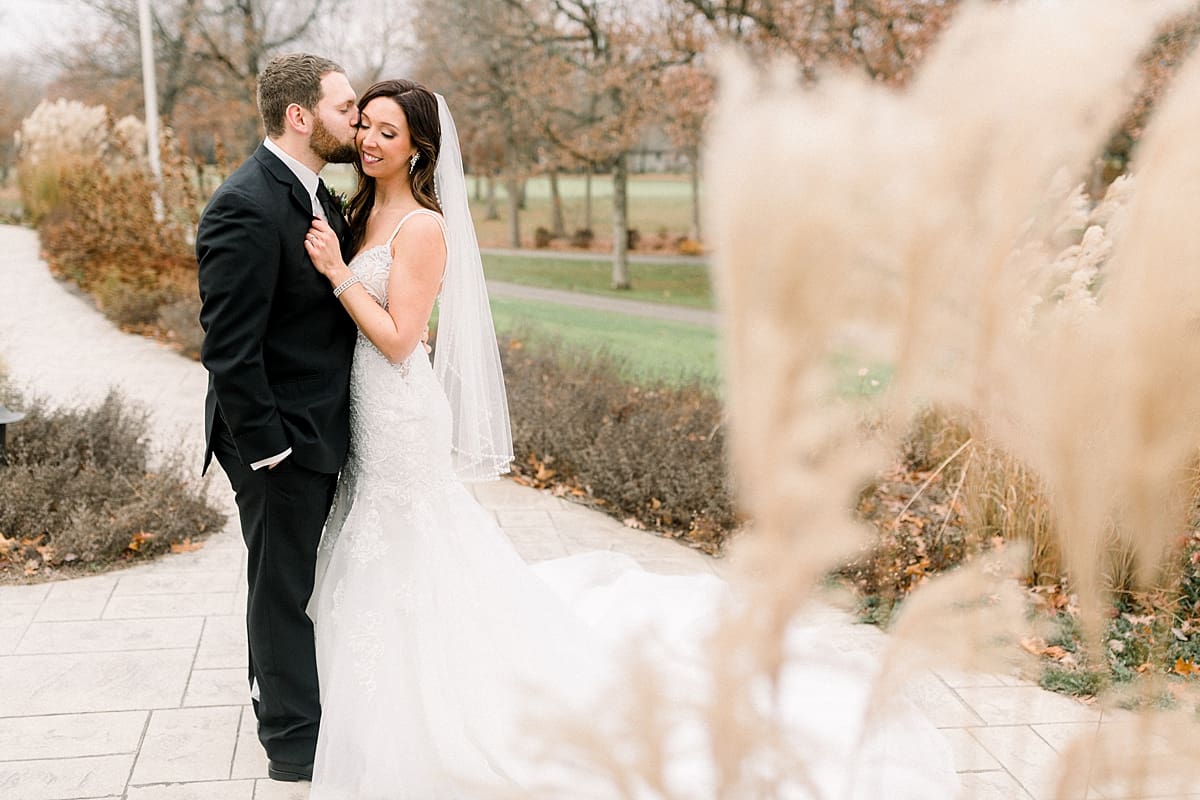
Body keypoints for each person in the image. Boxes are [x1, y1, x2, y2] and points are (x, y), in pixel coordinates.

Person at [302, 80, 961, 798]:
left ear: (419, 147)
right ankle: (395, 682)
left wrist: (338, 275)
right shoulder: (361, 208)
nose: (367, 140)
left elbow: (401, 340)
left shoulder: (422, 228)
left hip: (401, 412)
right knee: (387, 545)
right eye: (364, 125)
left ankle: (443, 702)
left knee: (415, 541)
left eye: (386, 132)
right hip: (366, 413)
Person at [196, 53, 360, 783]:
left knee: (302, 583)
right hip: (279, 444)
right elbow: (229, 351)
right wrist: (270, 454)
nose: (356, 120)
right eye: (346, 107)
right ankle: (292, 746)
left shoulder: (315, 192)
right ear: (301, 116)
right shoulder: (246, 204)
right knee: (281, 590)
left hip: (319, 428)